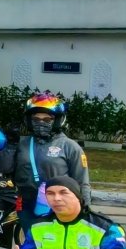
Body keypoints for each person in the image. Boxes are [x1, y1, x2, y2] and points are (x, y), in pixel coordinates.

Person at [13, 91, 90, 232]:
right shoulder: (23, 144)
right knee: (31, 242)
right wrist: (9, 145)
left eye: (47, 119)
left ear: (58, 120)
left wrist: (85, 209)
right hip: (27, 205)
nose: (41, 123)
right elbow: (7, 170)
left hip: (57, 205)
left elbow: (82, 180)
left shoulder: (69, 146)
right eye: (36, 119)